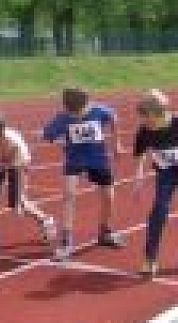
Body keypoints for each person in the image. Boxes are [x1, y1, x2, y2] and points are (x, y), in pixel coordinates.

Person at [43, 87, 126, 261]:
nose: (78, 116)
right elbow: (47, 134)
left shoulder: (99, 110)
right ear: (67, 108)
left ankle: (105, 232)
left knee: (108, 196)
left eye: (81, 112)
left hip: (98, 159)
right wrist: (60, 140)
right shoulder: (63, 117)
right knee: (69, 196)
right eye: (74, 114)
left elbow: (113, 117)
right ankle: (66, 241)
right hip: (74, 159)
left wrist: (117, 143)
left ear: (87, 104)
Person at [0, 110, 56, 252]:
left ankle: (45, 220)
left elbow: (17, 167)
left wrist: (3, 167)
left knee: (19, 205)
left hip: (18, 165)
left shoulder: (14, 144)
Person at [132, 90, 178, 278]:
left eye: (149, 120)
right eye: (143, 119)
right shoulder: (143, 130)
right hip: (166, 173)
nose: (146, 124)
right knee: (159, 211)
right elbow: (140, 153)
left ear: (161, 114)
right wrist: (138, 176)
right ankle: (150, 259)